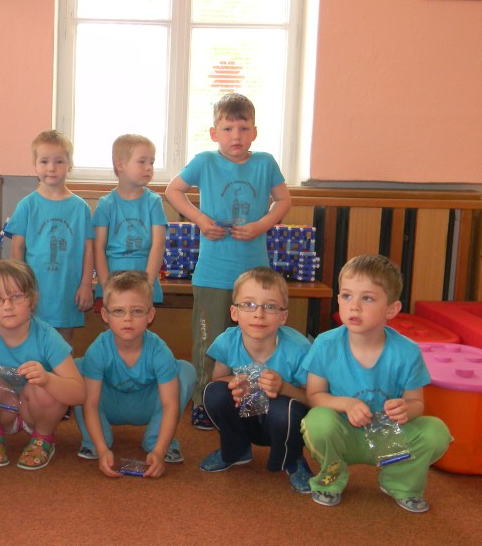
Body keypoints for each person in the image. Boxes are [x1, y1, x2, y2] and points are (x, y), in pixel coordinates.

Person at [165, 92, 291, 430]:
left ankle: (249, 400)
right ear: (214, 133)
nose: (236, 135)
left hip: (255, 275)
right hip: (213, 273)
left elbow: (283, 200)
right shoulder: (205, 161)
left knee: (254, 338)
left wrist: (261, 225)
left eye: (243, 128)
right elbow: (173, 190)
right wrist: (201, 220)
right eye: (228, 128)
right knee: (209, 340)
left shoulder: (265, 163)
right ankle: (203, 400)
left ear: (254, 132)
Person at [301, 255, 452, 512]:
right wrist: (347, 404)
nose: (354, 307)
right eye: (346, 296)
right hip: (344, 434)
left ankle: (399, 482)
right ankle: (331, 479)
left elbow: (416, 403)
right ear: (338, 300)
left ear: (391, 309)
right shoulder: (325, 344)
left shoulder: (407, 351)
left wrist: (405, 409)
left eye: (367, 298)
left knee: (435, 432)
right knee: (317, 422)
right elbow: (314, 396)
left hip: (388, 437)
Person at [0, 259, 86, 471]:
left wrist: (48, 380)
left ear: (33, 300)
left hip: (34, 410)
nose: (7, 306)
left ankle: (43, 438)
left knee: (47, 386)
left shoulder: (47, 336)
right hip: (2, 410)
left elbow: (79, 392)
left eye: (16, 297)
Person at [200, 267, 313, 493]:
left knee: (285, 410)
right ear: (234, 312)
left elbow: (312, 399)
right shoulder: (227, 341)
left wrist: (283, 387)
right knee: (213, 392)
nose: (259, 314)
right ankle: (236, 450)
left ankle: (292, 459)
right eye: (249, 304)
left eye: (270, 306)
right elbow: (219, 379)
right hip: (247, 414)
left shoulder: (299, 348)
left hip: (281, 422)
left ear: (283, 316)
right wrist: (236, 382)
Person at [74, 271, 195, 478]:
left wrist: (159, 452)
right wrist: (102, 450)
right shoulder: (98, 349)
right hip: (109, 405)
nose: (127, 319)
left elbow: (170, 405)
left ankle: (157, 441)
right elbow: (91, 404)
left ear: (150, 315)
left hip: (146, 406)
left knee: (185, 371)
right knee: (77, 367)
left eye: (137, 311)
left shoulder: (159, 350)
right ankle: (94, 441)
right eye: (118, 311)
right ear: (105, 315)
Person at [8, 130, 94, 350]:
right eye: (44, 161)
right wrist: (18, 286)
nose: (51, 168)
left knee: (63, 345)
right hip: (34, 290)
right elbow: (17, 248)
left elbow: (88, 249)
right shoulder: (27, 205)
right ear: (35, 165)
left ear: (70, 165)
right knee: (32, 341)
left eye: (59, 161)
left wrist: (86, 285)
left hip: (67, 290)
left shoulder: (80, 208)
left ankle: (63, 374)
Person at [93, 134, 167, 308]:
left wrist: (147, 285)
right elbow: (98, 248)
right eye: (142, 162)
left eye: (152, 162)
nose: (148, 167)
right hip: (113, 283)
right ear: (120, 165)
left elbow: (158, 245)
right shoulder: (106, 204)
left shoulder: (153, 202)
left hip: (144, 282)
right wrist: (106, 286)